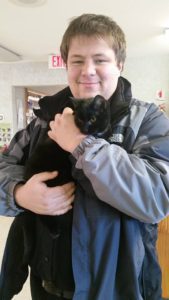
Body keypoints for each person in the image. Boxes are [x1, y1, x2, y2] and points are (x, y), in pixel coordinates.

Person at [0, 13, 169, 300]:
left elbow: (157, 198)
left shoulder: (147, 120)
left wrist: (81, 145)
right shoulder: (44, 119)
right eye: (77, 60)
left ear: (120, 64)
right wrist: (19, 193)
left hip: (117, 290)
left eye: (100, 60)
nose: (87, 71)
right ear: (66, 66)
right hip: (46, 287)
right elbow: (4, 165)